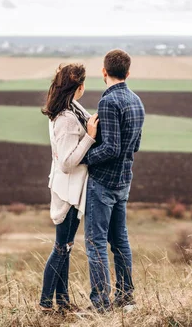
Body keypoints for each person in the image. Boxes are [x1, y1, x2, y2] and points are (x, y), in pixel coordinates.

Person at [82, 49, 145, 312]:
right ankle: (126, 297)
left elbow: (111, 148)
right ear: (128, 73)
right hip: (124, 181)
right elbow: (135, 146)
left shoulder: (108, 103)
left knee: (95, 242)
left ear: (104, 71)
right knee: (120, 240)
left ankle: (100, 305)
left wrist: (83, 155)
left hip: (104, 183)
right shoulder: (137, 101)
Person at [39, 63, 99, 313]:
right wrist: (90, 137)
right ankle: (45, 303)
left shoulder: (71, 108)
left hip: (73, 189)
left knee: (67, 246)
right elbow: (65, 162)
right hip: (67, 190)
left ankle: (62, 301)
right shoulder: (64, 118)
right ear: (79, 87)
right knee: (61, 246)